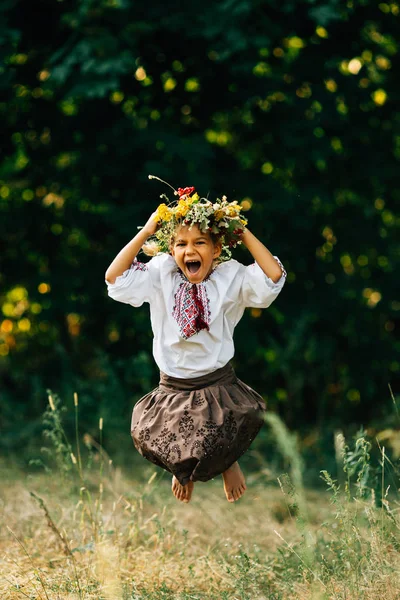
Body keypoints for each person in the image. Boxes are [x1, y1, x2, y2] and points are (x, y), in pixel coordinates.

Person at [105, 176, 286, 503]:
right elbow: (114, 277)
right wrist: (146, 232)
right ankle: (183, 468)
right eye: (182, 244)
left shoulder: (230, 276)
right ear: (172, 249)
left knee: (222, 429)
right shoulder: (161, 273)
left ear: (216, 248)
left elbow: (272, 275)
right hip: (172, 386)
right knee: (148, 433)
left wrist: (241, 231)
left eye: (200, 243)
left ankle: (228, 462)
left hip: (217, 382)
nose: (190, 250)